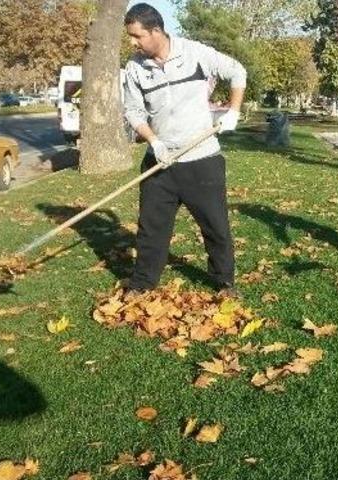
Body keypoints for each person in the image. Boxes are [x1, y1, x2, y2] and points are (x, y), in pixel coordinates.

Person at [122, 3, 246, 295]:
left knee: (216, 227)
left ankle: (224, 283)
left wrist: (234, 112)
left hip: (201, 161)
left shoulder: (195, 53)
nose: (132, 42)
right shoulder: (135, 68)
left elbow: (237, 71)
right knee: (151, 229)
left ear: (155, 31)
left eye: (136, 36)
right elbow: (133, 112)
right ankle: (142, 284)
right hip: (160, 162)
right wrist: (154, 141)